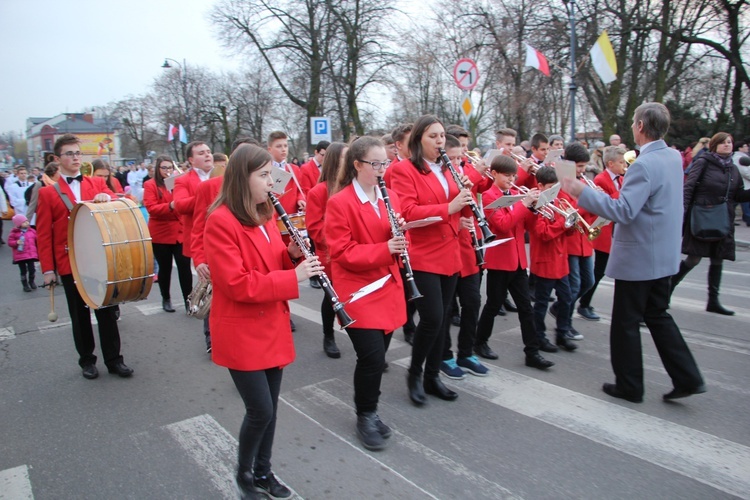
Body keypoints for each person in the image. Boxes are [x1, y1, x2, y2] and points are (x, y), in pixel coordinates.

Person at [561, 102, 705, 402]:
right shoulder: (671, 157)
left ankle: (629, 385)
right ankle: (687, 376)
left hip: (641, 256)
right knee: (657, 314)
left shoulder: (643, 164)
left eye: (633, 124)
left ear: (640, 126)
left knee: (625, 322)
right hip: (663, 253)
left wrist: (580, 192)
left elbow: (624, 211)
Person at [204, 143, 322, 500]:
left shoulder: (265, 214)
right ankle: (244, 475)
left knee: (269, 410)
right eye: (265, 175)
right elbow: (237, 284)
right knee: (260, 410)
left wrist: (290, 254)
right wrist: (296, 276)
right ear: (244, 178)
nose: (273, 183)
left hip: (270, 324)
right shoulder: (220, 221)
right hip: (242, 330)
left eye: (272, 175)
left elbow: (270, 262)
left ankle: (264, 471)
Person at [325, 136, 406, 450]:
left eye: (384, 162)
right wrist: (386, 248)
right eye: (376, 164)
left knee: (379, 356)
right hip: (358, 291)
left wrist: (399, 235)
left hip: (387, 286)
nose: (382, 169)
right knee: (371, 358)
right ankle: (365, 414)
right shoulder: (340, 202)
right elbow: (342, 253)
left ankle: (370, 409)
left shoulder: (390, 197)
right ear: (357, 165)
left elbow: (397, 243)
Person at [390, 114, 474, 405]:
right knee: (433, 318)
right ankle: (414, 373)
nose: (439, 141)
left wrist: (466, 197)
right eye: (432, 136)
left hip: (451, 252)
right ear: (418, 141)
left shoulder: (449, 168)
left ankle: (432, 375)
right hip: (423, 253)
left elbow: (461, 212)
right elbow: (408, 213)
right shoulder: (404, 170)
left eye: (441, 136)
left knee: (442, 320)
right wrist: (449, 206)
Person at [37, 134, 133, 379]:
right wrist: (48, 269)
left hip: (100, 260)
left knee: (107, 311)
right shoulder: (49, 193)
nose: (75, 157)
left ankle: (114, 360)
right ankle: (87, 361)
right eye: (69, 153)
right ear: (57, 159)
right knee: (79, 316)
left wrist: (107, 198)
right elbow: (43, 234)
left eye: (78, 153)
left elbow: (117, 207)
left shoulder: (96, 184)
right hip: (71, 262)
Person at [474, 155, 554, 369]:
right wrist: (524, 205)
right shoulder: (489, 197)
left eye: (513, 176)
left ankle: (532, 352)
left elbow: (525, 224)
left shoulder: (517, 194)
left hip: (518, 260)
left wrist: (535, 208)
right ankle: (479, 342)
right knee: (492, 305)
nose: (511, 180)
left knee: (526, 308)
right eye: (507, 176)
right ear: (494, 174)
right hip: (500, 261)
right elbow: (502, 225)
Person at [669, 132, 750, 315]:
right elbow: (688, 188)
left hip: (723, 218)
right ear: (714, 145)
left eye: (729, 142)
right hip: (701, 215)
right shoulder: (703, 162)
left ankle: (713, 301)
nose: (727, 145)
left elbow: (737, 195)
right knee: (693, 258)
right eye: (723, 142)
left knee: (718, 257)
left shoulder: (733, 168)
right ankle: (667, 290)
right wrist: (681, 213)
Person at [528, 166, 578, 353]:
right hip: (545, 262)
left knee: (566, 299)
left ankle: (562, 333)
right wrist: (563, 224)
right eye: (550, 187)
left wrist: (571, 224)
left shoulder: (559, 202)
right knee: (541, 303)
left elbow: (568, 233)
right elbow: (543, 233)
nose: (554, 192)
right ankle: (539, 336)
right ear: (540, 186)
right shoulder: (538, 206)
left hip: (561, 261)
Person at [305, 142, 348, 358]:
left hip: (351, 250)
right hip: (329, 253)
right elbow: (314, 228)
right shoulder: (318, 192)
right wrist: (341, 236)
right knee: (332, 297)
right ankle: (328, 335)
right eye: (344, 158)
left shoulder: (352, 187)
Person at [578, 146, 627, 321]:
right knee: (598, 271)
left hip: (615, 230)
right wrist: (624, 188)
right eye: (621, 162)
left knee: (601, 271)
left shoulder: (621, 179)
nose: (624, 165)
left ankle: (583, 302)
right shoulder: (600, 179)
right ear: (610, 163)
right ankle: (582, 303)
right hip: (603, 230)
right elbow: (607, 203)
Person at [174, 141, 214, 351]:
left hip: (222, 235)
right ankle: (210, 338)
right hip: (201, 239)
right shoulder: (183, 180)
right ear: (191, 159)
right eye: (201, 153)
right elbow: (179, 205)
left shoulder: (221, 174)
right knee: (208, 287)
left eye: (208, 151)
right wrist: (204, 194)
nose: (207, 155)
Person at [143, 155, 193, 313]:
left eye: (170, 167)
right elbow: (151, 208)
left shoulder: (178, 182)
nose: (167, 171)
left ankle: (189, 301)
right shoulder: (150, 184)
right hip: (162, 233)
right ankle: (166, 298)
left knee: (184, 267)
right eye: (164, 168)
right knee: (165, 269)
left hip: (180, 232)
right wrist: (171, 206)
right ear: (158, 169)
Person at [8, 214, 38, 292]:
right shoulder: (14, 233)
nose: (27, 223)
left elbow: (37, 239)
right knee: (23, 271)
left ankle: (31, 281)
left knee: (32, 269)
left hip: (30, 254)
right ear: (19, 224)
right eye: (24, 222)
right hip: (20, 256)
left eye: (27, 221)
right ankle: (25, 285)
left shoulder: (32, 231)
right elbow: (10, 242)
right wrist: (16, 242)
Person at [732, 140, 750, 226]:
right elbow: (744, 172)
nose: (747, 147)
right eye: (745, 146)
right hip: (743, 183)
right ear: (740, 148)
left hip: (744, 183)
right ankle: (748, 219)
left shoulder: (743, 157)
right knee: (744, 203)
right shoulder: (739, 158)